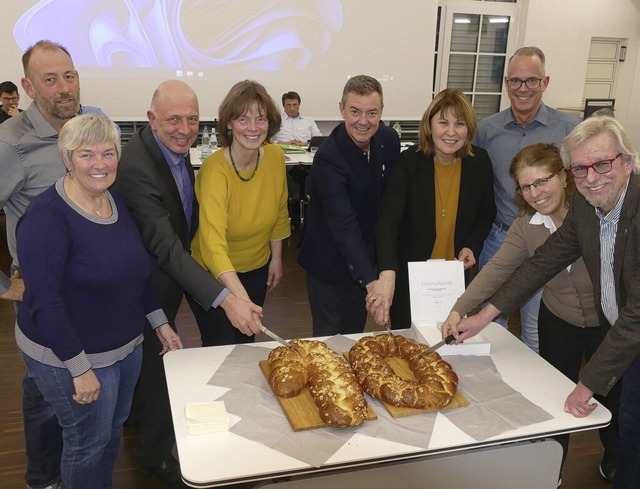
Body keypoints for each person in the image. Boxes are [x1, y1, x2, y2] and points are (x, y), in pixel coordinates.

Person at [442, 115, 639, 489]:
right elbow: (533, 266)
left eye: (602, 164)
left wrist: (588, 382)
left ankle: (616, 461)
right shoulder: (575, 211)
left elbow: (635, 315)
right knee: (578, 406)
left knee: (624, 418)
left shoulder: (609, 205)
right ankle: (556, 466)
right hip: (570, 322)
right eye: (581, 168)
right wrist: (477, 314)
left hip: (619, 330)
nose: (592, 177)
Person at [15, 114, 182, 489]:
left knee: (108, 434)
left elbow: (137, 271)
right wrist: (78, 367)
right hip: (71, 356)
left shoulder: (116, 202)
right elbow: (44, 301)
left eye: (108, 153)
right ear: (66, 159)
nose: (100, 164)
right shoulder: (46, 217)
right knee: (87, 444)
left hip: (126, 349)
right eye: (86, 155)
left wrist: (160, 322)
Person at [112, 79, 264, 482]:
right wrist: (226, 298)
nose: (184, 128)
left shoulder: (170, 151)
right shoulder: (138, 168)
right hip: (146, 286)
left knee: (148, 361)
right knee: (164, 363)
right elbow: (166, 248)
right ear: (151, 119)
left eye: (192, 119)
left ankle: (136, 419)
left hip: (167, 277)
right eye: (174, 119)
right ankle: (154, 455)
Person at [0, 40, 113, 489]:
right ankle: (44, 478)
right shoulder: (11, 143)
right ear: (28, 86)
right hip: (43, 299)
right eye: (50, 79)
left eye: (69, 75)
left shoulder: (95, 121)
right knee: (46, 392)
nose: (64, 88)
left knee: (87, 386)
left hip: (94, 296)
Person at [474, 46, 580, 353]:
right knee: (491, 324)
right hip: (500, 240)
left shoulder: (570, 129)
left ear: (545, 83)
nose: (523, 89)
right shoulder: (485, 131)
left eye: (531, 81)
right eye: (516, 81)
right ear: (506, 83)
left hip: (551, 241)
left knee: (536, 330)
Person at [366, 89, 495, 328]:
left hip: (454, 279)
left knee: (449, 340)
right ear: (429, 125)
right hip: (411, 277)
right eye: (443, 122)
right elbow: (387, 223)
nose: (451, 132)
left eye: (460, 124)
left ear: (469, 129)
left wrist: (472, 245)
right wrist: (386, 272)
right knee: (409, 341)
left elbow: (486, 215)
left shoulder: (480, 162)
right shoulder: (409, 162)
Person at [297, 74, 400, 337]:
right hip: (328, 263)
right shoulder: (328, 158)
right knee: (329, 338)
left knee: (354, 334)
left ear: (381, 112)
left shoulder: (389, 140)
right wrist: (372, 282)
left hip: (366, 259)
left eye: (372, 112)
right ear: (342, 109)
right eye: (355, 111)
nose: (363, 121)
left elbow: (389, 204)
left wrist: (380, 270)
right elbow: (344, 225)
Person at [190, 80, 290, 346]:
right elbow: (213, 246)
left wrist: (276, 259)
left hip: (256, 267)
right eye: (243, 119)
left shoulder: (275, 157)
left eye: (261, 119)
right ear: (229, 124)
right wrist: (240, 299)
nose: (253, 128)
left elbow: (280, 210)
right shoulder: (214, 170)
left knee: (245, 343)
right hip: (213, 275)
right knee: (220, 349)